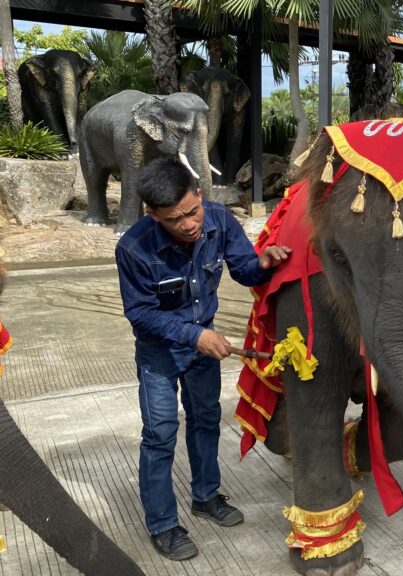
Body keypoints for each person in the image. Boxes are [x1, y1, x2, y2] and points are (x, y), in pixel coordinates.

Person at [115, 158, 291, 561]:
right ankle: (163, 524)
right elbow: (141, 313)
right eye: (174, 219)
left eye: (192, 211)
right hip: (160, 351)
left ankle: (206, 496)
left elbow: (243, 268)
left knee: (206, 421)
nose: (190, 224)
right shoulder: (133, 248)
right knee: (159, 435)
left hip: (203, 349)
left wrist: (263, 263)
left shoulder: (219, 220)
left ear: (199, 194)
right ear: (152, 215)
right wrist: (196, 335)